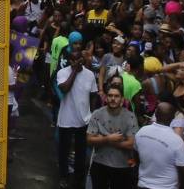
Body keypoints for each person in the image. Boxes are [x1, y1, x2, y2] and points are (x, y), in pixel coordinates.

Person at [56, 45, 98, 189]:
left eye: (78, 58)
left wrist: (91, 113)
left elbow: (93, 95)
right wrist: (74, 71)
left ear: (82, 58)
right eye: (73, 60)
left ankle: (78, 178)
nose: (76, 62)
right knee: (64, 151)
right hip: (66, 119)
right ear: (69, 61)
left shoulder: (90, 75)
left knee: (81, 152)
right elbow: (65, 88)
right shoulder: (62, 72)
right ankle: (63, 176)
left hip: (83, 120)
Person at [86, 84, 138, 188]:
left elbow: (131, 144)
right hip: (100, 163)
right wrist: (109, 139)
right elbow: (89, 139)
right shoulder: (97, 114)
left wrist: (103, 139)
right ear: (106, 98)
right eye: (110, 95)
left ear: (122, 99)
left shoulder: (130, 117)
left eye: (116, 96)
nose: (113, 99)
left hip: (122, 166)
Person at [135, 102, 184, 189]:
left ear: (155, 114)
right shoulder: (176, 141)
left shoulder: (141, 131)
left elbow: (136, 154)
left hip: (143, 185)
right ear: (173, 118)